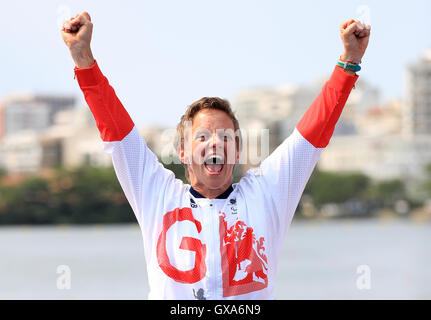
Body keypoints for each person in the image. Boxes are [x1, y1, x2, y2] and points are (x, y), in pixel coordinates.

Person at [61, 11, 370, 299]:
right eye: (203, 137)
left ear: (236, 151)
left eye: (225, 137)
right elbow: (117, 131)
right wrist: (84, 59)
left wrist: (349, 62)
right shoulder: (156, 194)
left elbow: (311, 135)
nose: (215, 144)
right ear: (182, 152)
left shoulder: (267, 194)